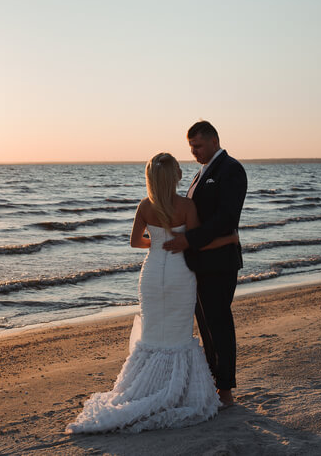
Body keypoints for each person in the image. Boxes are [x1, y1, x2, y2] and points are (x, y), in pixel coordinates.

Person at [65, 152, 238, 433]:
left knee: (153, 333)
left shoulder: (145, 205)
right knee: (178, 334)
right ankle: (175, 391)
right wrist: (228, 238)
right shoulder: (186, 205)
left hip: (152, 273)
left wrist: (157, 244)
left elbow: (135, 242)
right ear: (174, 177)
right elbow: (194, 243)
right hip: (180, 275)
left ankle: (145, 388)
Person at [163, 121, 247, 409]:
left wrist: (187, 240)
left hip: (220, 262)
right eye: (190, 147)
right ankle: (213, 381)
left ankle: (225, 390)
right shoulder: (201, 173)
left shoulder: (231, 169)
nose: (193, 152)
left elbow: (226, 219)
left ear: (213, 141)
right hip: (198, 263)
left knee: (220, 324)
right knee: (207, 325)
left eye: (197, 146)